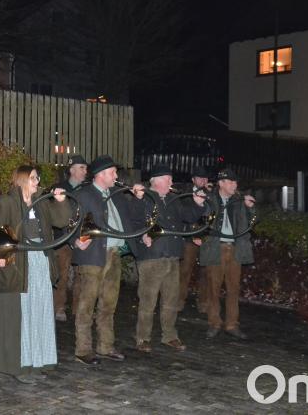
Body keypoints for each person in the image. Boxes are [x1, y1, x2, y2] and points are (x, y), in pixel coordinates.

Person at [0, 166, 71, 384]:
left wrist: (61, 201)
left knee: (40, 310)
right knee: (21, 314)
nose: (38, 181)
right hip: (18, 263)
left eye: (38, 178)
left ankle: (37, 361)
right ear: (22, 179)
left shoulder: (41, 201)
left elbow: (62, 221)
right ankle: (18, 365)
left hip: (40, 261)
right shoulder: (6, 202)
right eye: (34, 178)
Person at [71, 155, 143, 365]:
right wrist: (76, 241)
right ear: (101, 175)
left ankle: (105, 345)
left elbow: (131, 218)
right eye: (113, 172)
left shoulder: (116, 195)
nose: (116, 176)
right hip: (93, 255)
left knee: (109, 304)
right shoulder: (84, 194)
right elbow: (72, 222)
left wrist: (138, 198)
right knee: (87, 304)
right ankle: (82, 350)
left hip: (114, 253)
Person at [132, 165, 204, 353]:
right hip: (152, 257)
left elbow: (188, 217)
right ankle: (142, 338)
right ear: (156, 180)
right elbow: (134, 220)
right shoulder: (145, 197)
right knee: (148, 301)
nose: (172, 182)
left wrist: (197, 204)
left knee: (171, 300)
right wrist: (143, 236)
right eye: (168, 179)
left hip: (172, 255)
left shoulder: (174, 199)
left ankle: (169, 336)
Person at [199, 169, 255, 340]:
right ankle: (214, 323)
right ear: (221, 183)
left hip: (234, 248)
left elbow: (252, 222)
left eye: (235, 182)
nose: (235, 185)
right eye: (231, 182)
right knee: (213, 289)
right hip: (216, 247)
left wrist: (250, 209)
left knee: (233, 289)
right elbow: (199, 218)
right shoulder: (209, 198)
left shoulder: (239, 201)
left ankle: (232, 324)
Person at [51, 154, 87, 322]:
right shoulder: (59, 188)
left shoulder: (88, 189)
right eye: (82, 168)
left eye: (85, 168)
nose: (85, 171)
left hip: (82, 237)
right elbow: (55, 215)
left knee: (82, 274)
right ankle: (59, 307)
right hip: (63, 238)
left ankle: (79, 308)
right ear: (72, 170)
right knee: (63, 274)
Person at [178, 166, 212, 316]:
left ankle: (204, 303)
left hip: (207, 238)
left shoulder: (212, 195)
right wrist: (193, 235)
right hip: (189, 238)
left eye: (205, 178)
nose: (203, 181)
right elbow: (183, 217)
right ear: (193, 179)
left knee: (206, 272)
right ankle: (178, 302)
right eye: (199, 178)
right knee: (184, 271)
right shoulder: (186, 195)